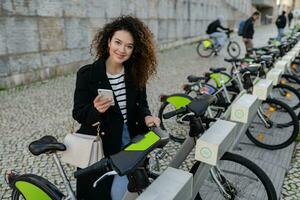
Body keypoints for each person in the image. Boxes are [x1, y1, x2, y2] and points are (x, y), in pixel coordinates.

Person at [72, 15, 160, 200]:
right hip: (101, 144)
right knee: (107, 194)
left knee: (132, 189)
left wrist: (147, 117)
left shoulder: (135, 73)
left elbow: (141, 106)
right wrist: (96, 109)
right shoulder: (87, 74)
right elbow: (79, 113)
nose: (122, 50)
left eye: (129, 46)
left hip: (132, 139)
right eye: (118, 42)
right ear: (108, 42)